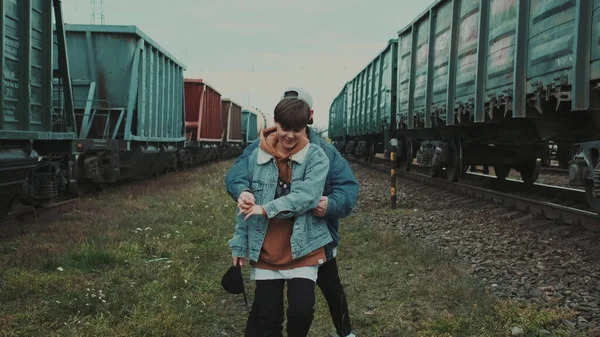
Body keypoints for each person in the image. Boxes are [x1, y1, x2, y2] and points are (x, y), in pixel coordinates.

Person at [226, 88, 359, 337]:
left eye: (295, 127)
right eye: (284, 126)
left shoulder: (323, 154)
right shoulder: (259, 151)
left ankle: (345, 332)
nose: (289, 135)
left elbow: (347, 191)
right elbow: (239, 182)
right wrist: (242, 192)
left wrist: (329, 205)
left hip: (311, 237)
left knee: (320, 296)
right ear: (277, 119)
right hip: (267, 242)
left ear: (308, 117)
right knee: (268, 311)